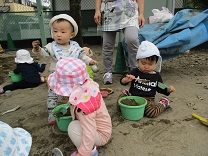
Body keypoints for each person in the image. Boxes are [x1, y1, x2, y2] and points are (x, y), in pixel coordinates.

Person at [32, 14, 98, 124]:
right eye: (55, 31)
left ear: (71, 34)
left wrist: (89, 61)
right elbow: (42, 55)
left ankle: (75, 112)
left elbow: (82, 56)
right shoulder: (51, 46)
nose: (58, 35)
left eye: (62, 32)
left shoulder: (75, 46)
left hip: (72, 77)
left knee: (75, 94)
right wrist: (37, 49)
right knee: (52, 95)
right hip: (57, 76)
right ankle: (51, 114)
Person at [48, 57, 112, 156]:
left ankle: (91, 151)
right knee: (77, 126)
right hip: (101, 128)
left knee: (73, 128)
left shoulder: (84, 108)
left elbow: (89, 132)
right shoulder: (87, 88)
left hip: (101, 135)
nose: (60, 94)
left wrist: (82, 153)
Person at [119, 41, 176, 118]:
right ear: (138, 61)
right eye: (143, 63)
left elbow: (161, 88)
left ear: (155, 63)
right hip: (133, 97)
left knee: (151, 113)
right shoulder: (135, 71)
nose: (146, 66)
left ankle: (163, 103)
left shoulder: (155, 76)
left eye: (150, 64)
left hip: (148, 100)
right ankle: (127, 93)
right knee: (120, 105)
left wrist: (168, 90)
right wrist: (126, 79)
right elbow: (122, 81)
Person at [94, 0, 145, 84]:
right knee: (107, 44)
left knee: (132, 39)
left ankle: (135, 70)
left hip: (129, 10)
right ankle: (108, 71)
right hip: (109, 11)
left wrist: (141, 13)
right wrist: (97, 10)